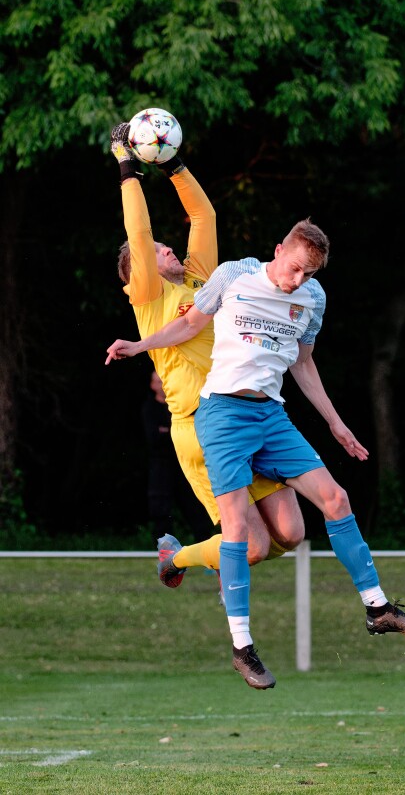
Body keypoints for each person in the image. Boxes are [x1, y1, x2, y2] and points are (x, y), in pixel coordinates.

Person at [105, 218, 405, 690]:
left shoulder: (312, 299)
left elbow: (303, 363)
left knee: (333, 501)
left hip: (271, 417)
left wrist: (336, 424)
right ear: (278, 249)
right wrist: (139, 346)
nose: (298, 281)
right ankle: (242, 647)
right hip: (221, 416)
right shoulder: (234, 274)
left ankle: (377, 608)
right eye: (295, 268)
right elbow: (189, 324)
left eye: (309, 274)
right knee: (240, 533)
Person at [109, 122, 305, 583]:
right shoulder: (147, 296)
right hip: (198, 426)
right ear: (139, 270)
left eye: (164, 246)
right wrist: (127, 167)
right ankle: (175, 560)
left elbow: (204, 217)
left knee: (290, 536)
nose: (166, 248)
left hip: (241, 412)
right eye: (158, 251)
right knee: (253, 546)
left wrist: (173, 164)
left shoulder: (201, 279)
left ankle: (216, 556)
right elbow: (138, 232)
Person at [141, 370, 213, 544]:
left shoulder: (181, 405)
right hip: (161, 466)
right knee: (161, 509)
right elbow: (153, 438)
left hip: (186, 462)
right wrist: (173, 433)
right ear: (152, 385)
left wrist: (166, 431)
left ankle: (208, 554)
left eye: (164, 380)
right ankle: (166, 555)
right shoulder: (149, 407)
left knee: (197, 507)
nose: (162, 384)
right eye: (158, 381)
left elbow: (196, 433)